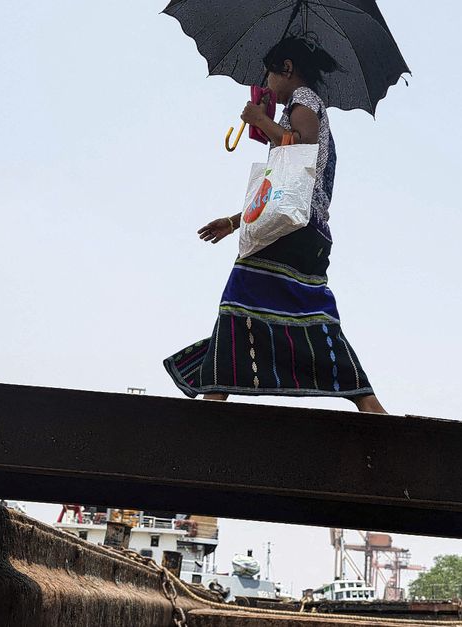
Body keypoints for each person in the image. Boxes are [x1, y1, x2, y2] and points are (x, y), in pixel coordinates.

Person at [163, 36, 386, 414]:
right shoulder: (302, 105)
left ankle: (213, 400)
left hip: (292, 234)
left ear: (286, 67)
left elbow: (300, 144)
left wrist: (258, 119)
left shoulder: (305, 101)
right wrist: (235, 221)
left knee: (239, 298)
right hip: (309, 233)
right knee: (313, 314)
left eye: (268, 73)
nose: (265, 84)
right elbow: (286, 190)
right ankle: (368, 403)